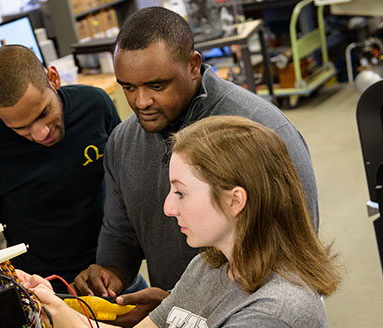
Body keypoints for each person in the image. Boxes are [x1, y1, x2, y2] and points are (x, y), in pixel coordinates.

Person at [73, 7, 320, 325]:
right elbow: (121, 231)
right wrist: (111, 278)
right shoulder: (123, 143)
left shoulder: (261, 130)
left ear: (193, 65)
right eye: (128, 88)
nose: (141, 102)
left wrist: (187, 310)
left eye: (156, 86)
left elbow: (296, 248)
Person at [26, 116, 341, 328]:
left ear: (235, 201)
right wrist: (55, 308)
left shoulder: (277, 311)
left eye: (180, 192)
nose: (168, 207)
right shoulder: (210, 266)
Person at [0, 45, 121, 292]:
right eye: (20, 128)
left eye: (44, 113)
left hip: (113, 272)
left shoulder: (95, 106)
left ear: (53, 78)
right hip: (44, 288)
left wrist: (120, 265)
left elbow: (127, 185)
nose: (41, 133)